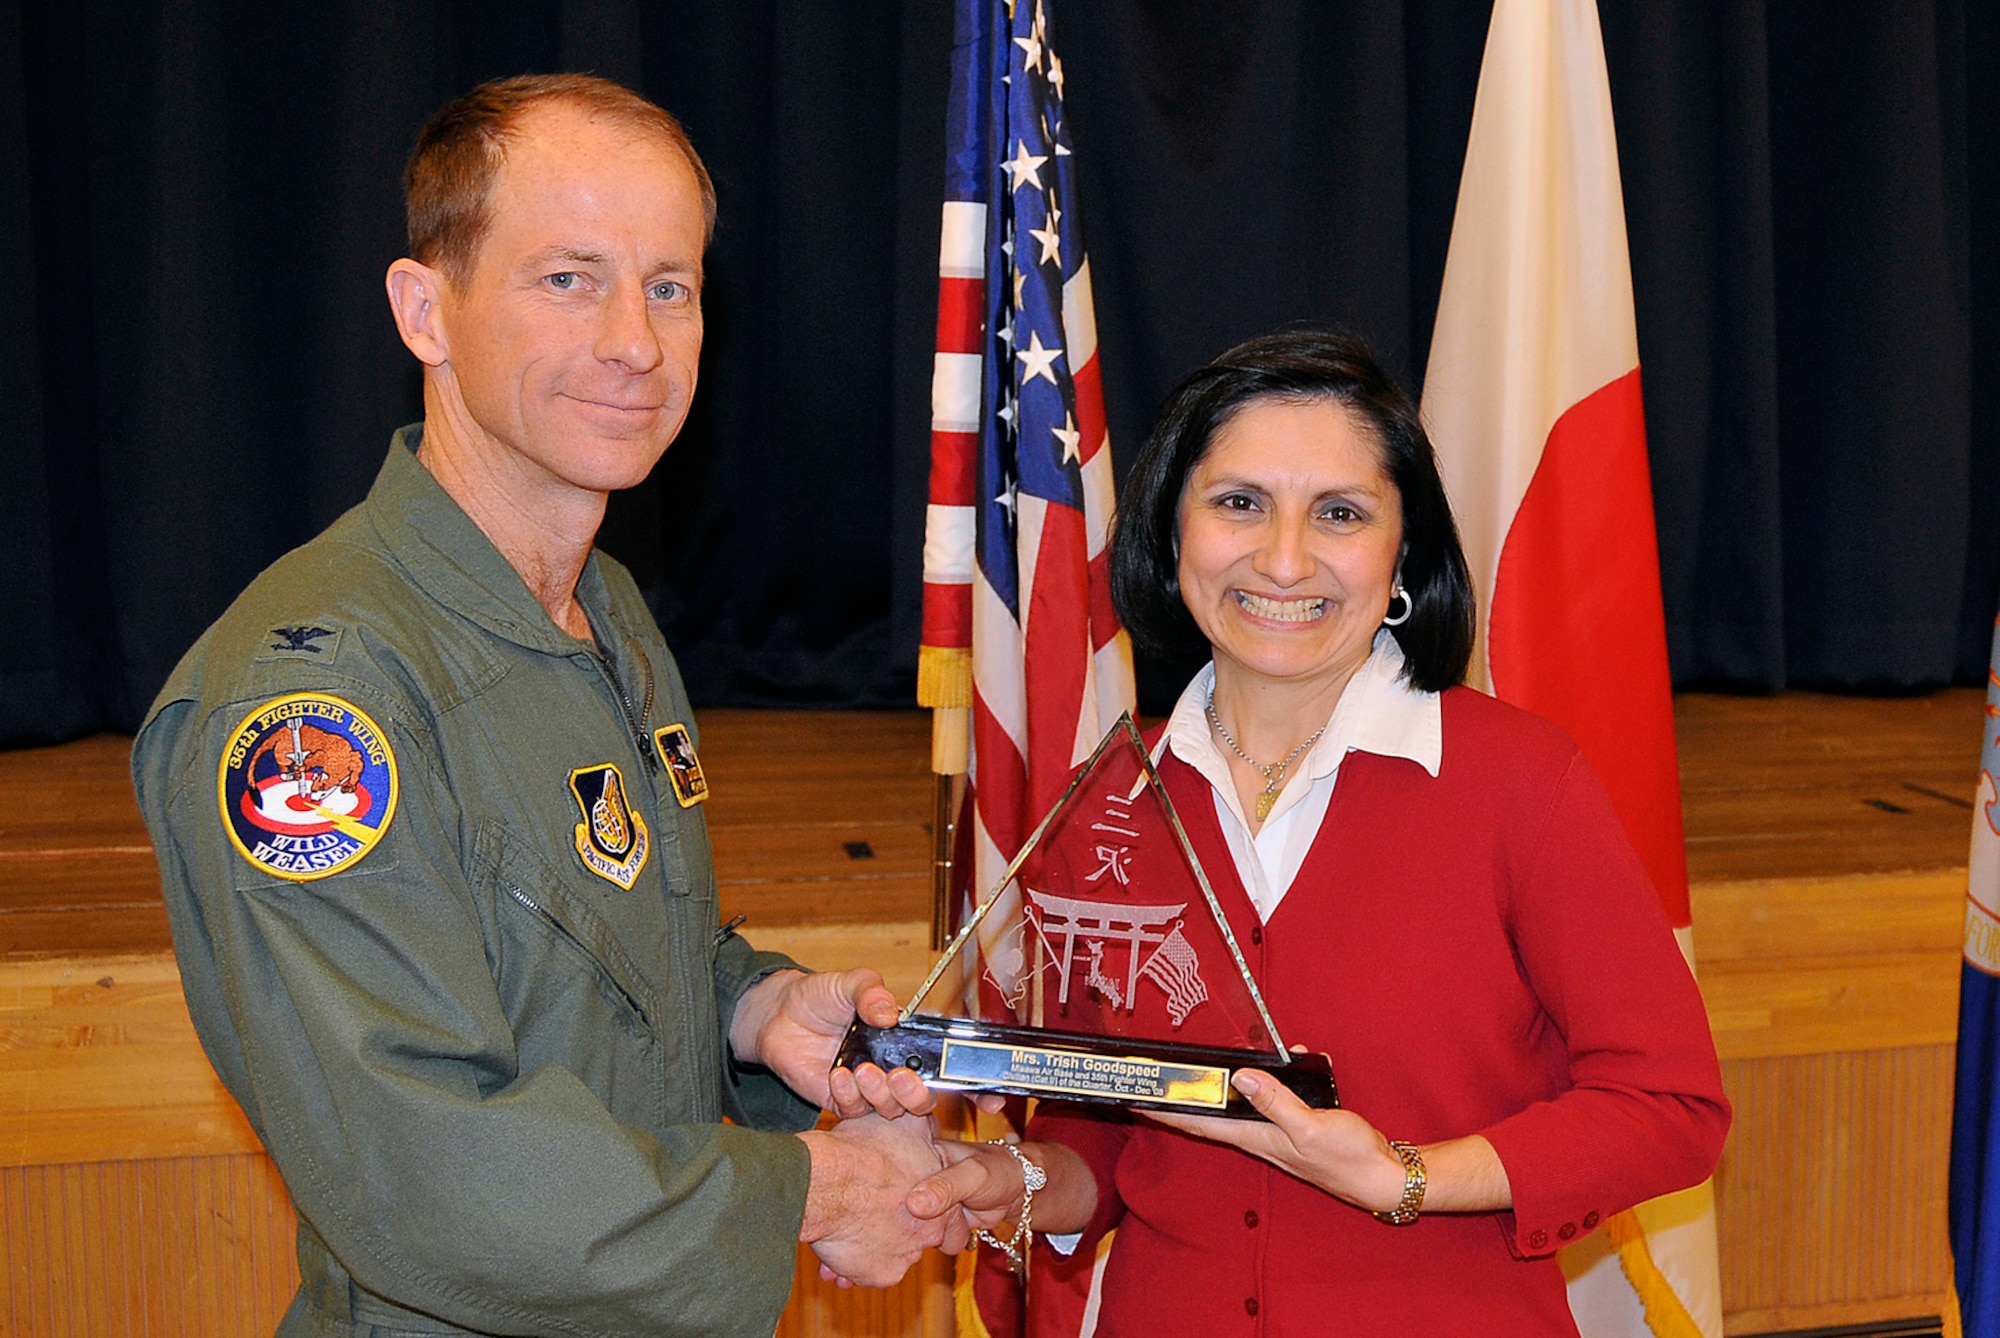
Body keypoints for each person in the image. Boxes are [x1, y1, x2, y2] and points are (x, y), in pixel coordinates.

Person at [132, 75, 956, 1338]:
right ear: (426, 310)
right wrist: (807, 1187)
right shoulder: (317, 704)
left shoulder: (605, 606)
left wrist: (749, 1012)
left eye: (667, 286)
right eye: (567, 278)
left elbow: (581, 950)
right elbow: (417, 1167)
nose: (634, 341)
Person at [907, 329, 1732, 1334]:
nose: (1283, 557)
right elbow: (1116, 1138)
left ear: (1401, 556)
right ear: (1172, 536)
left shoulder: (1519, 780)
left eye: (1337, 513)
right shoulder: (1112, 794)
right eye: (1238, 503)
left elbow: (1668, 1109)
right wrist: (1011, 1176)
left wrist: (1404, 1177)